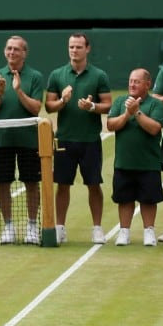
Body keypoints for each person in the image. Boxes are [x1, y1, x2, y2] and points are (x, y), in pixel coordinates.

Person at [45, 33, 112, 244]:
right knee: (62, 185)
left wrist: (92, 107)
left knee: (93, 184)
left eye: (78, 47)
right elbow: (49, 106)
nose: (74, 50)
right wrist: (63, 101)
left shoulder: (99, 76)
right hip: (64, 139)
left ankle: (97, 228)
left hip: (90, 140)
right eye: (71, 47)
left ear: (87, 49)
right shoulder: (57, 74)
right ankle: (60, 228)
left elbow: (108, 104)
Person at [0, 36, 45, 245]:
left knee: (31, 183)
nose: (12, 52)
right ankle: (8, 226)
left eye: (16, 49)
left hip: (29, 141)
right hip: (2, 140)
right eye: (9, 48)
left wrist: (18, 89)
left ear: (24, 53)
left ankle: (31, 227)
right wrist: (0, 93)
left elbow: (35, 108)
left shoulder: (35, 76)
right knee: (3, 184)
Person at [107, 69, 163, 247]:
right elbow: (110, 124)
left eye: (137, 82)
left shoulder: (155, 104)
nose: (132, 84)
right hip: (124, 162)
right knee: (124, 199)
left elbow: (154, 128)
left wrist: (137, 112)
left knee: (148, 200)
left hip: (148, 163)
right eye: (131, 81)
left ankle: (149, 232)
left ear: (147, 85)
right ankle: (124, 232)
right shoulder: (119, 101)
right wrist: (127, 113)